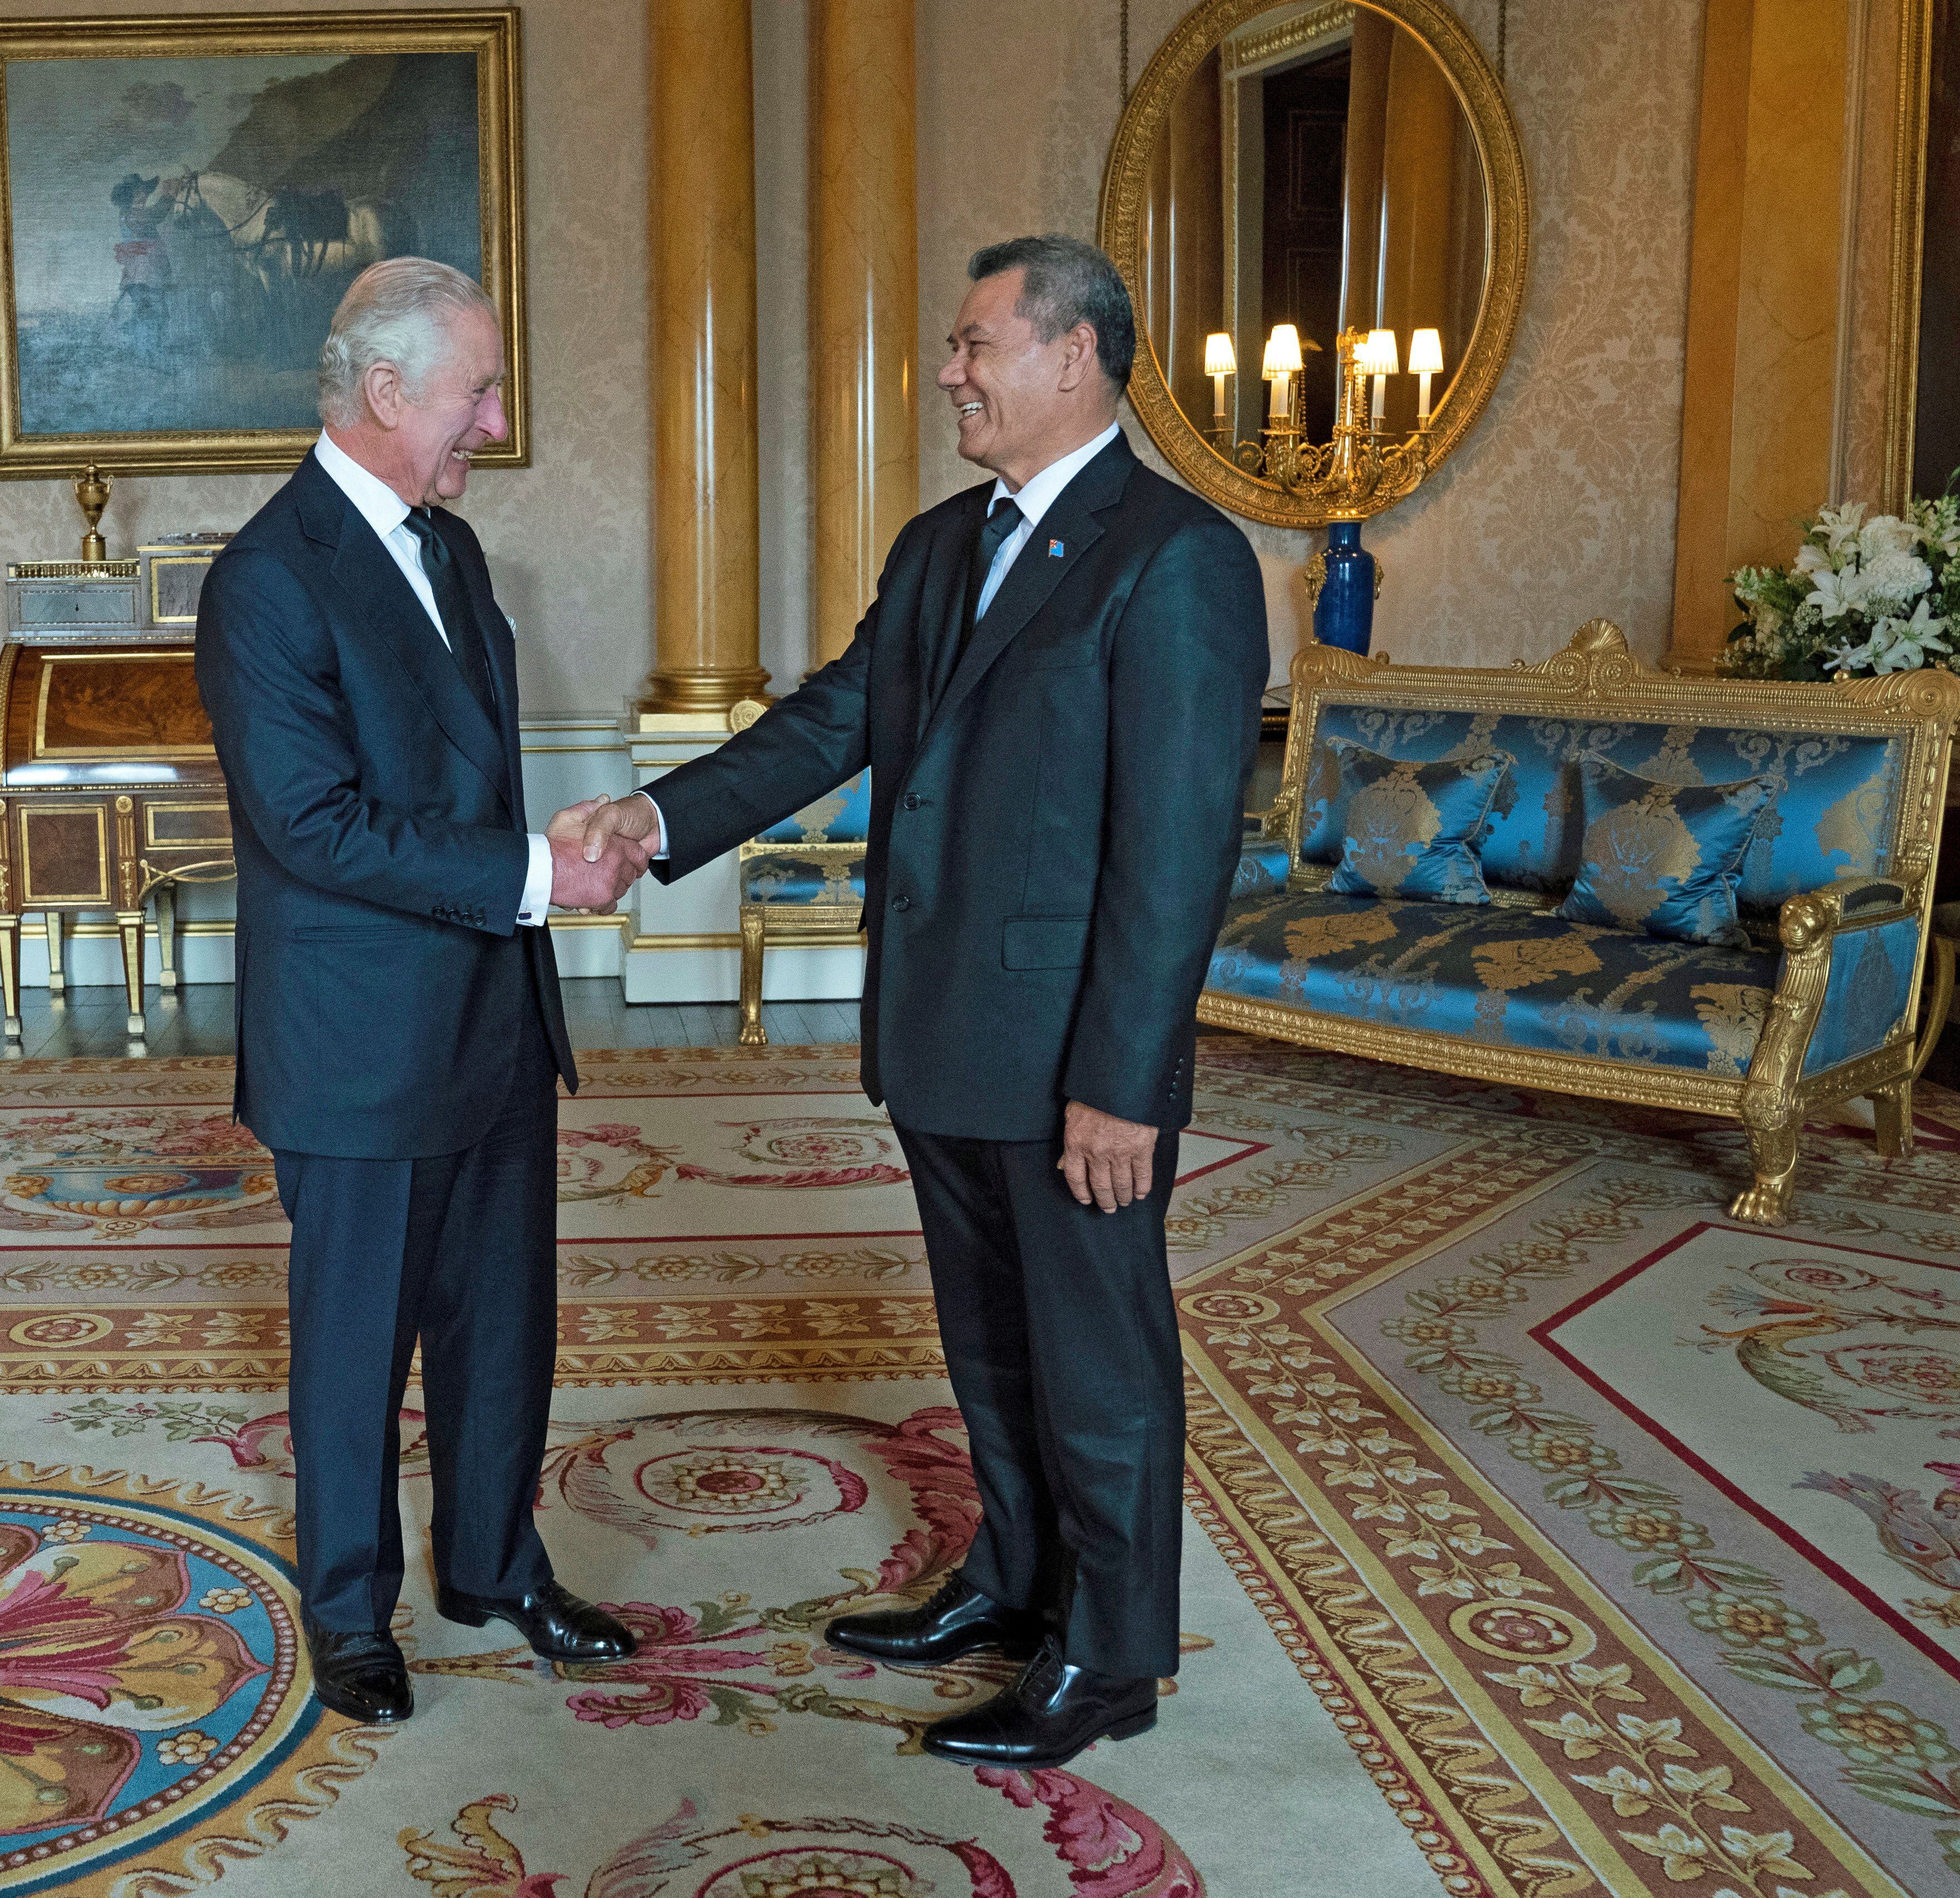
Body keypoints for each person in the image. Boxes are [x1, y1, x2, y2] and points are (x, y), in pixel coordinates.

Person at [558, 234, 1267, 1768]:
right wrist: (657, 819)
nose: (948, 369)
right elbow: (828, 721)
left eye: (974, 343)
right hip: (944, 1027)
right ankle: (1014, 1580)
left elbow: (1172, 850)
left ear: (1071, 355)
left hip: (1076, 1052)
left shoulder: (1177, 557)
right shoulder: (944, 543)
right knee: (991, 1342)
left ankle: (1112, 1653)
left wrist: (1124, 1078)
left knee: (1099, 1361)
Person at [196, 256, 650, 1727]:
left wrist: (550, 846)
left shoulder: (451, 550)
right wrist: (535, 873)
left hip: (489, 1015)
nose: (495, 419)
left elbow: (456, 785)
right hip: (358, 1045)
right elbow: (313, 825)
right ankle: (349, 1611)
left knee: (501, 1320)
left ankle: (493, 1565)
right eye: (477, 390)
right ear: (388, 393)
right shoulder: (266, 577)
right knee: (355, 1347)